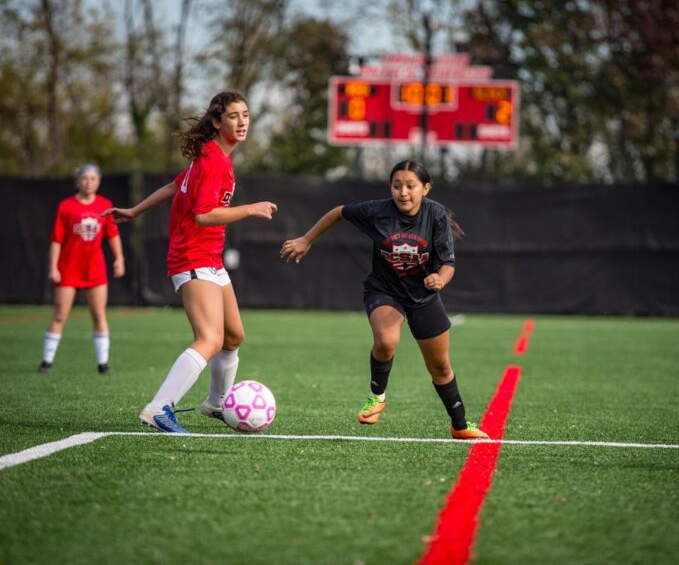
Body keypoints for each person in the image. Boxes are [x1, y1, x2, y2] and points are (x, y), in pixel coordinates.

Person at [102, 91, 277, 433]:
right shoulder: (214, 160)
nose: (241, 122)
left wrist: (135, 210)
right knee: (209, 339)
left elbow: (173, 185)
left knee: (233, 336)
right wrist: (251, 209)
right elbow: (203, 216)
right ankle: (158, 408)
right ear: (216, 122)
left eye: (245, 115)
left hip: (210, 258)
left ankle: (215, 403)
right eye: (233, 116)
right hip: (192, 257)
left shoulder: (213, 157)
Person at [280, 160, 489, 440]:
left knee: (440, 366)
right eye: (396, 185)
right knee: (387, 340)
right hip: (384, 290)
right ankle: (377, 397)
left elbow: (448, 264)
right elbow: (338, 212)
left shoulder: (436, 215)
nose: (403, 192)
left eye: (411, 186)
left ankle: (460, 425)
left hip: (423, 297)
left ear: (425, 189)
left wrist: (440, 279)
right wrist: (307, 239)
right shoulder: (377, 211)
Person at [39, 164, 125, 375]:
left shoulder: (105, 205)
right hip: (68, 268)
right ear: (77, 181)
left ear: (98, 181)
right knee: (60, 315)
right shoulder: (66, 206)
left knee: (98, 314)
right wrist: (53, 267)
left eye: (93, 178)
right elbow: (56, 240)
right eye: (84, 178)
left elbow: (112, 234)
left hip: (94, 269)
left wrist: (119, 259)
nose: (88, 182)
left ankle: (103, 364)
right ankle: (46, 362)